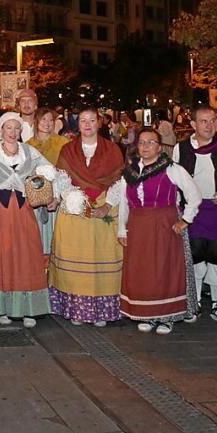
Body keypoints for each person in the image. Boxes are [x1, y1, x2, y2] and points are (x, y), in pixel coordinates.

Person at [116, 129, 201, 335]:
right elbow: (124, 203)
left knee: (165, 269)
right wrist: (122, 229)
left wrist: (185, 220)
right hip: (138, 226)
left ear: (159, 146)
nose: (145, 147)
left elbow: (195, 196)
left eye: (150, 142)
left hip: (164, 225)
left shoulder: (172, 169)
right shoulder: (130, 172)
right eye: (142, 142)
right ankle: (148, 314)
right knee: (144, 270)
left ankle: (167, 316)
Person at [50, 107, 126, 326]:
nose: (87, 124)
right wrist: (74, 199)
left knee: (101, 260)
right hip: (75, 208)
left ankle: (101, 310)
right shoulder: (68, 150)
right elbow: (62, 178)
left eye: (92, 120)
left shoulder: (112, 150)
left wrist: (108, 205)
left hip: (104, 206)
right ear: (77, 124)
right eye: (83, 120)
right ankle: (77, 309)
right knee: (77, 258)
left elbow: (119, 181)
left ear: (99, 123)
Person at [172, 105, 217, 326]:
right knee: (194, 257)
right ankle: (194, 304)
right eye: (203, 121)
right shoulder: (181, 148)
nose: (209, 125)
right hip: (192, 211)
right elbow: (175, 181)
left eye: (213, 120)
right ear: (193, 125)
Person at [0, 112, 51, 326]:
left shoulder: (30, 152)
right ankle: (4, 308)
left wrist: (47, 186)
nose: (12, 132)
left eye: (16, 128)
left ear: (21, 131)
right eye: (8, 128)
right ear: (1, 130)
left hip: (24, 209)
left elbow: (49, 171)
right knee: (2, 256)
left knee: (27, 254)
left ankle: (28, 309)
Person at [26, 107, 68, 255]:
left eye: (51, 120)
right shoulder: (27, 145)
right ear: (36, 121)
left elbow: (66, 172)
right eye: (44, 119)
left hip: (57, 196)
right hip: (35, 197)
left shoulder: (63, 143)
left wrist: (57, 195)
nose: (47, 123)